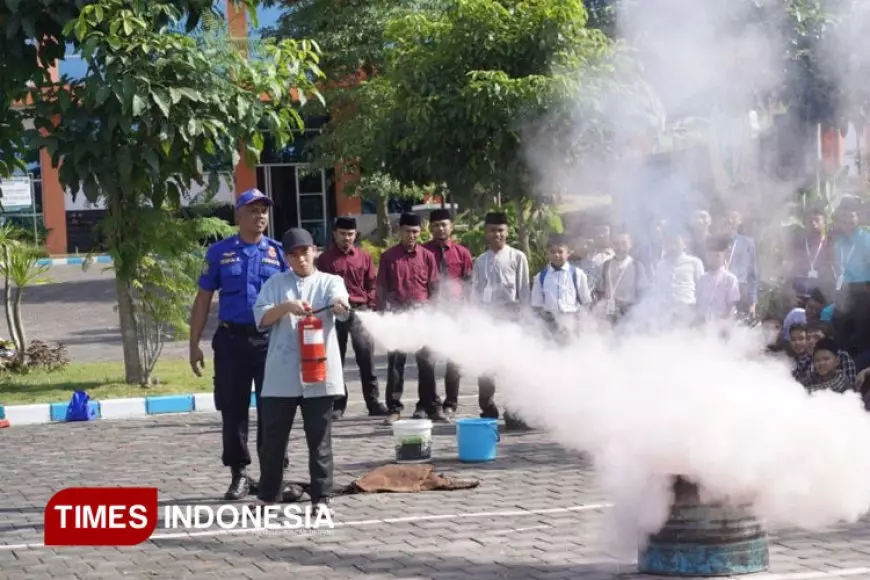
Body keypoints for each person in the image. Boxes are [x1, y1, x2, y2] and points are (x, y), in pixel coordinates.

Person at [188, 188, 289, 500]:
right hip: (231, 340)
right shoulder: (219, 252)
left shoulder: (277, 252)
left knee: (273, 408)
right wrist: (193, 343)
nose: (260, 216)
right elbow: (203, 298)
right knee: (233, 409)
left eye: (264, 211)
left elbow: (293, 294)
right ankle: (239, 474)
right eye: (252, 210)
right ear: (238, 216)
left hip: (269, 340)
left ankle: (273, 472)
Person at [253, 228, 351, 513]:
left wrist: (338, 305)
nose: (301, 259)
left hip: (319, 375)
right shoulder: (275, 283)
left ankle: (321, 498)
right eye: (294, 255)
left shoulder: (331, 281)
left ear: (315, 251)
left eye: (305, 252)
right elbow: (261, 317)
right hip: (281, 376)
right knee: (273, 441)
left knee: (319, 440)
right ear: (286, 258)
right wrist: (286, 306)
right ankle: (267, 497)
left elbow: (342, 308)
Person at [316, 217, 388, 419]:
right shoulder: (325, 260)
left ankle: (373, 403)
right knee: (335, 360)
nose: (346, 238)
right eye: (342, 234)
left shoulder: (363, 258)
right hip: (335, 313)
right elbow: (320, 286)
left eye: (350, 234)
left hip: (360, 311)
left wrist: (371, 306)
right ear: (334, 234)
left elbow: (372, 285)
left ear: (355, 235)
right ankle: (338, 404)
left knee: (367, 359)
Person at [376, 212, 443, 424]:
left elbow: (434, 287)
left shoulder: (428, 256)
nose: (411, 235)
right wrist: (382, 315)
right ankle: (394, 408)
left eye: (415, 232)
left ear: (420, 232)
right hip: (398, 314)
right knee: (396, 363)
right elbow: (381, 289)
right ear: (400, 231)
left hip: (422, 313)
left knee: (426, 362)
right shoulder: (388, 257)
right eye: (407, 231)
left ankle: (429, 406)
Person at [471, 211, 531, 428]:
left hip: (511, 321)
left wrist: (525, 322)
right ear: (486, 233)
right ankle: (487, 409)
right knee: (486, 369)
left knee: (512, 369)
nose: (497, 234)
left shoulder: (518, 257)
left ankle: (514, 413)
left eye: (501, 230)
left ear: (507, 232)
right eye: (492, 230)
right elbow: (475, 293)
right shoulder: (480, 261)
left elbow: (524, 292)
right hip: (487, 322)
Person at [421, 208, 474, 419]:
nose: (440, 229)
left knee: (454, 358)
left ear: (451, 227)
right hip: (431, 311)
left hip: (456, 311)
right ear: (430, 228)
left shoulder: (462, 253)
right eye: (436, 225)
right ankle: (430, 402)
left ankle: (451, 402)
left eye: (444, 225)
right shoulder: (423, 252)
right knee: (427, 359)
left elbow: (469, 285)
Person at [531, 233, 592, 341]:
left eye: (560, 251)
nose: (556, 255)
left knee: (570, 351)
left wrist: (582, 324)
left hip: (571, 321)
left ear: (568, 253)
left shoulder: (578, 274)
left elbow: (586, 302)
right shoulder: (541, 277)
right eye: (552, 252)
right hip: (549, 323)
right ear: (547, 254)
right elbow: (537, 305)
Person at [832, 198, 870, 357]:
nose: (847, 220)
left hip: (864, 289)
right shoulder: (838, 242)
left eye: (851, 216)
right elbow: (837, 267)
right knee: (839, 328)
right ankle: (842, 363)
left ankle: (861, 370)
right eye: (844, 216)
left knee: (862, 331)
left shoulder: (866, 238)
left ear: (857, 217)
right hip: (844, 290)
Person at [652, 229, 705, 326]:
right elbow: (658, 289)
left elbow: (702, 289)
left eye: (676, 243)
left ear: (684, 244)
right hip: (666, 310)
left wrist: (698, 312)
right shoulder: (661, 265)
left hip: (688, 308)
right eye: (669, 243)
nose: (673, 247)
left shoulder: (695, 262)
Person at [595, 232, 649, 323]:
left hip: (629, 313)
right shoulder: (605, 265)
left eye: (624, 243)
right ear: (612, 245)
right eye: (616, 244)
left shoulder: (637, 265)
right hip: (608, 313)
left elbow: (643, 293)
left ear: (630, 245)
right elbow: (600, 290)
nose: (620, 248)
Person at [788, 206, 835, 299]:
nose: (813, 223)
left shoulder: (831, 243)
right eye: (810, 221)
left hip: (823, 296)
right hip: (800, 294)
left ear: (825, 222)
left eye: (817, 220)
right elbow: (791, 270)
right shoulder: (799, 244)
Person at [719, 209, 759, 318]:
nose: (730, 221)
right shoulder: (716, 241)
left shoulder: (747, 243)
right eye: (727, 218)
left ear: (739, 222)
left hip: (740, 291)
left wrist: (752, 303)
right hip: (719, 290)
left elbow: (752, 275)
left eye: (734, 218)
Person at [695, 236, 741, 322]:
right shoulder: (702, 279)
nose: (713, 259)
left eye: (717, 256)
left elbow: (731, 306)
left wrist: (724, 325)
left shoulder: (730, 279)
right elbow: (698, 303)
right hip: (702, 326)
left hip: (720, 326)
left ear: (724, 256)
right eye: (710, 256)